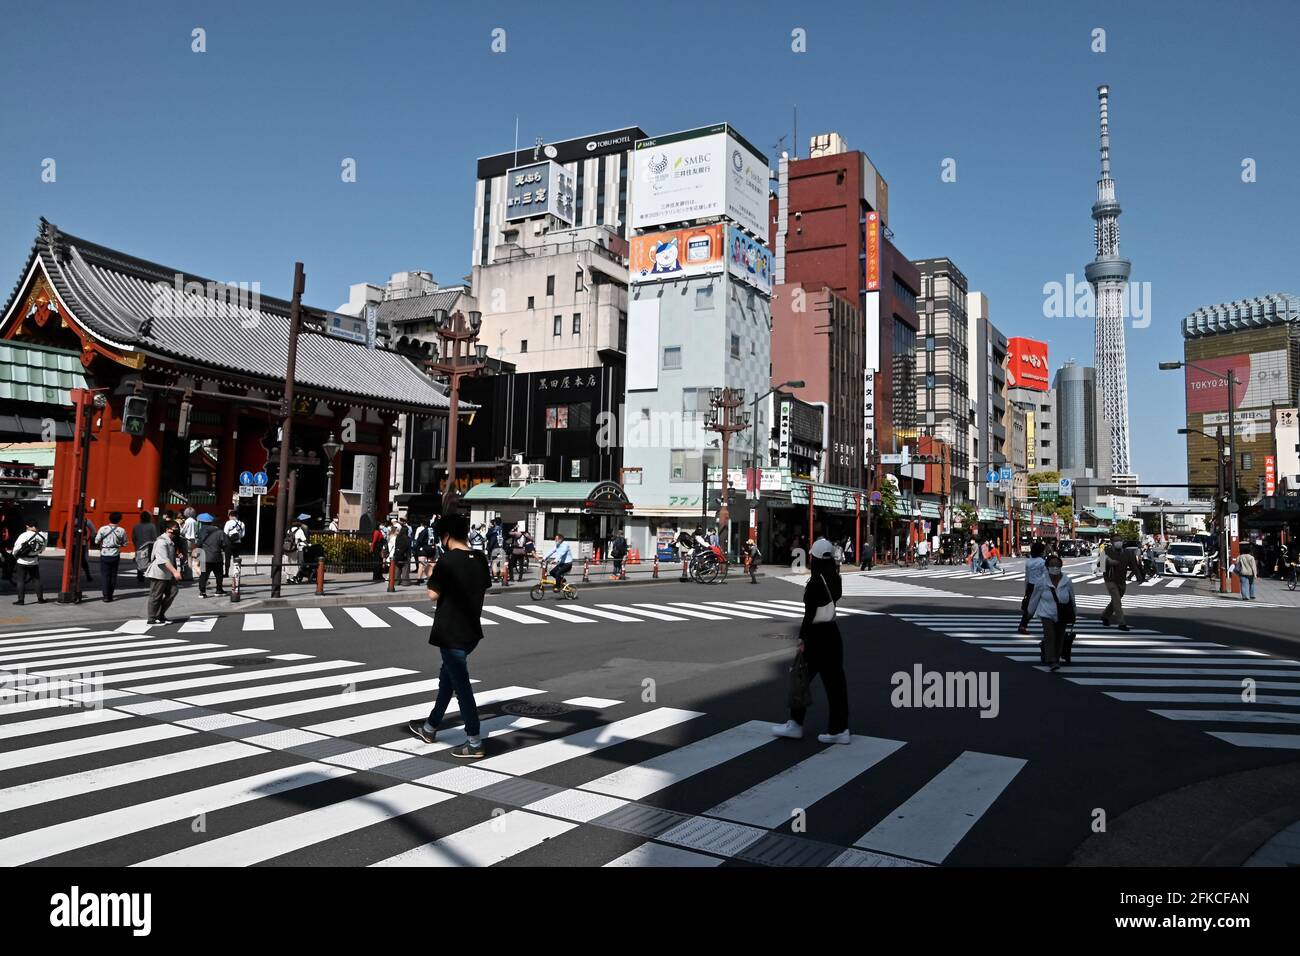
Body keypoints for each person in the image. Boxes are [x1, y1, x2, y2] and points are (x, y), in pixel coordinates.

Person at [406, 511, 492, 758]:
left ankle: (474, 741)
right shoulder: (479, 558)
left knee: (461, 685)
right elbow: (482, 591)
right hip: (471, 630)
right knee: (448, 679)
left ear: (445, 536)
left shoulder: (447, 561)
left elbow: (432, 594)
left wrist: (434, 571)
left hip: (451, 631)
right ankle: (430, 727)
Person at [772, 538, 850, 744]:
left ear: (813, 557)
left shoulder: (816, 581)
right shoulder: (836, 577)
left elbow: (809, 615)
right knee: (836, 685)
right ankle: (839, 728)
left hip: (816, 636)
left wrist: (801, 638)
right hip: (832, 633)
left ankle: (795, 724)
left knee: (801, 678)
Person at [1027, 554, 1078, 671]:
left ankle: (1052, 654)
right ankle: (1052, 660)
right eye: (1052, 565)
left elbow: (1072, 598)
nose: (1055, 567)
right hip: (1046, 613)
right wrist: (1029, 614)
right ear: (1047, 567)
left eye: (1057, 565)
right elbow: (1034, 598)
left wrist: (1074, 612)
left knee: (1060, 636)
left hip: (1063, 613)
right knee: (1050, 635)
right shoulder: (1041, 581)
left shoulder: (1067, 580)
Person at [145, 519, 183, 624]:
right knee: (156, 595)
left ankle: (160, 614)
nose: (176, 532)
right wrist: (175, 572)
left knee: (173, 591)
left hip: (167, 573)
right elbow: (163, 559)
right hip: (159, 573)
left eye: (177, 530)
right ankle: (152, 618)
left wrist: (177, 555)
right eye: (174, 530)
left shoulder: (170, 541)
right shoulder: (161, 541)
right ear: (167, 529)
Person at [93, 512, 128, 602]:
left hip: (104, 553)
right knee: (113, 575)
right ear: (119, 520)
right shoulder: (121, 530)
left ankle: (105, 595)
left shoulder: (103, 529)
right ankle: (110, 595)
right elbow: (125, 543)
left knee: (105, 575)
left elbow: (96, 541)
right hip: (115, 553)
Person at [12, 519, 46, 605]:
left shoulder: (24, 535)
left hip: (22, 561)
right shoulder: (42, 536)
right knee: (36, 580)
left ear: (27, 526)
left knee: (21, 580)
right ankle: (40, 599)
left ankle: (21, 600)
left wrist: (15, 555)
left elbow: (16, 548)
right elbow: (42, 549)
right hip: (34, 561)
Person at [1100, 534, 1131, 631]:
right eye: (1116, 540)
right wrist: (1108, 562)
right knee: (1117, 601)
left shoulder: (1127, 552)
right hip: (1110, 580)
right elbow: (1100, 565)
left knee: (1115, 601)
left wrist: (1139, 577)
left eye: (1120, 540)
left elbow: (1133, 565)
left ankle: (1105, 615)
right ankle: (1122, 623)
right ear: (1112, 542)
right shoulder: (1105, 551)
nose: (1119, 542)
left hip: (1122, 580)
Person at [1018, 540, 1047, 634]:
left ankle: (1023, 625)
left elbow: (1027, 576)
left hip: (1030, 585)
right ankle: (1047, 627)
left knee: (1028, 607)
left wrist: (1026, 588)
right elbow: (1046, 576)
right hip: (1041, 586)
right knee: (1045, 606)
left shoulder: (1028, 562)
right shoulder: (1043, 562)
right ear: (1041, 551)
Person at [197, 516, 229, 597]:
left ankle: (202, 592)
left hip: (204, 557)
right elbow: (226, 544)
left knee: (203, 575)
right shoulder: (220, 532)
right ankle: (219, 590)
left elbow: (199, 543)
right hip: (216, 557)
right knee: (219, 575)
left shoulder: (203, 531)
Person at [132, 512, 158, 582]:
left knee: (139, 560)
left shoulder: (136, 526)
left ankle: (140, 574)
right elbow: (154, 537)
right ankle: (150, 574)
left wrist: (135, 544)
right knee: (150, 560)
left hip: (139, 545)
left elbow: (134, 537)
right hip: (149, 545)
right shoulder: (151, 526)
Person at [222, 510, 246, 576]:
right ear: (237, 516)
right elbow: (243, 535)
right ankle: (236, 573)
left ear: (230, 516)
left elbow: (225, 533)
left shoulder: (228, 523)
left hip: (229, 543)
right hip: (238, 543)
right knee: (236, 558)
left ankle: (226, 573)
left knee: (227, 558)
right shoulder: (242, 523)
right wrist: (237, 536)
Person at [180, 507, 199, 580]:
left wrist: (181, 528)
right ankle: (190, 575)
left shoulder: (187, 521)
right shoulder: (195, 521)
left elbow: (183, 532)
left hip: (187, 540)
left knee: (186, 557)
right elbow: (196, 531)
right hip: (193, 540)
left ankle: (187, 575)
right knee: (190, 557)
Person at [392, 520, 412, 586]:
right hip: (405, 555)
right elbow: (409, 547)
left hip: (397, 555)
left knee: (397, 569)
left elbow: (396, 546)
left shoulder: (398, 537)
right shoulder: (408, 538)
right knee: (405, 569)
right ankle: (405, 582)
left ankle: (396, 582)